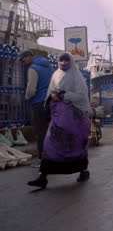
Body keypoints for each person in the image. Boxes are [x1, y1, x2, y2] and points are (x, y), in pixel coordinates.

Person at [27, 52, 91, 188]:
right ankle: (42, 177)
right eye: (61, 60)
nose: (63, 62)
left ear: (71, 61)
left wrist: (63, 95)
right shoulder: (55, 74)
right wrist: (53, 96)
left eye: (66, 60)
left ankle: (82, 171)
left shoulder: (77, 75)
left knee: (75, 146)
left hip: (74, 119)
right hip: (58, 117)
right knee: (50, 144)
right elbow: (50, 91)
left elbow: (81, 96)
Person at [18, 49, 54, 168]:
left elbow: (31, 89)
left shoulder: (33, 68)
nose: (23, 63)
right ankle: (51, 157)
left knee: (40, 132)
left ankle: (42, 159)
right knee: (48, 130)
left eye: (23, 61)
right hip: (49, 101)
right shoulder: (48, 66)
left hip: (38, 103)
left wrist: (27, 97)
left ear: (28, 57)